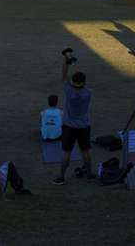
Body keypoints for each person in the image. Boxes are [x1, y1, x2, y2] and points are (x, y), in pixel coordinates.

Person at [53, 54, 94, 185]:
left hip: (69, 126)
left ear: (73, 82)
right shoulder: (88, 93)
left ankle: (61, 176)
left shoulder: (68, 91)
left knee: (66, 152)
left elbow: (64, 77)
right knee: (85, 151)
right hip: (84, 126)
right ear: (84, 82)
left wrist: (66, 62)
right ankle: (89, 174)